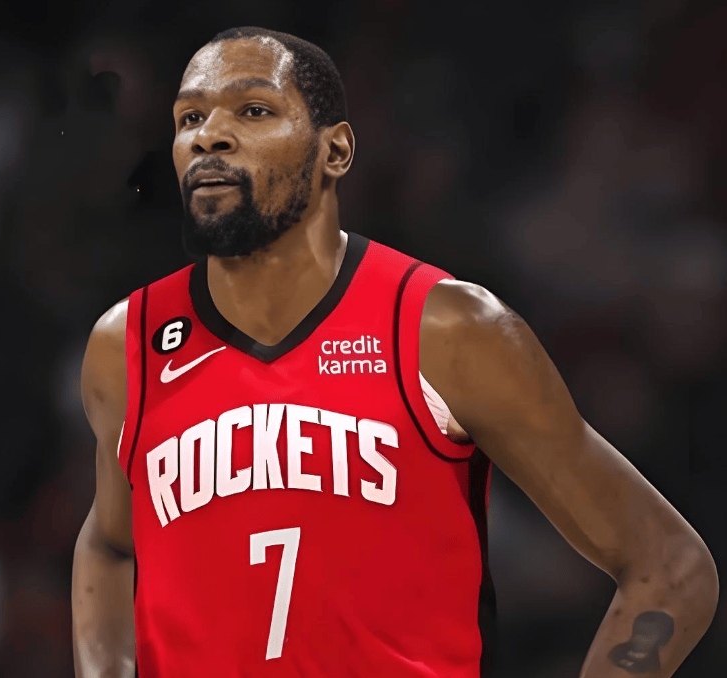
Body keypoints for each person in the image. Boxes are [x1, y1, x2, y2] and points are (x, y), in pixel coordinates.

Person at [71, 27, 719, 678]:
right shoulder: (127, 344)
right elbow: (108, 545)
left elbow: (671, 566)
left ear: (335, 151)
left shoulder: (448, 328)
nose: (208, 135)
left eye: (253, 109)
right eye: (190, 117)